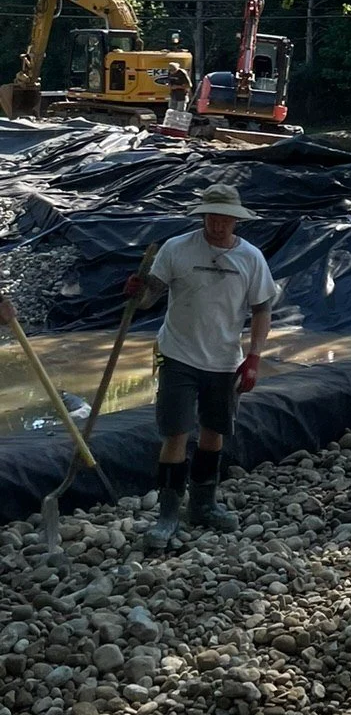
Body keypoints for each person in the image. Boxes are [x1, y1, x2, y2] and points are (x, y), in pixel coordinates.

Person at [129, 182, 277, 548]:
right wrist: (138, 291)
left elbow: (262, 309)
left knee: (214, 432)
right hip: (178, 353)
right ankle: (167, 514)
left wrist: (254, 357)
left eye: (225, 217)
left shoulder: (251, 259)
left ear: (236, 220)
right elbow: (149, 299)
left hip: (225, 360)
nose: (218, 223)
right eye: (212, 215)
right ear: (203, 215)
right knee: (176, 433)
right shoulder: (177, 249)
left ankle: (203, 503)